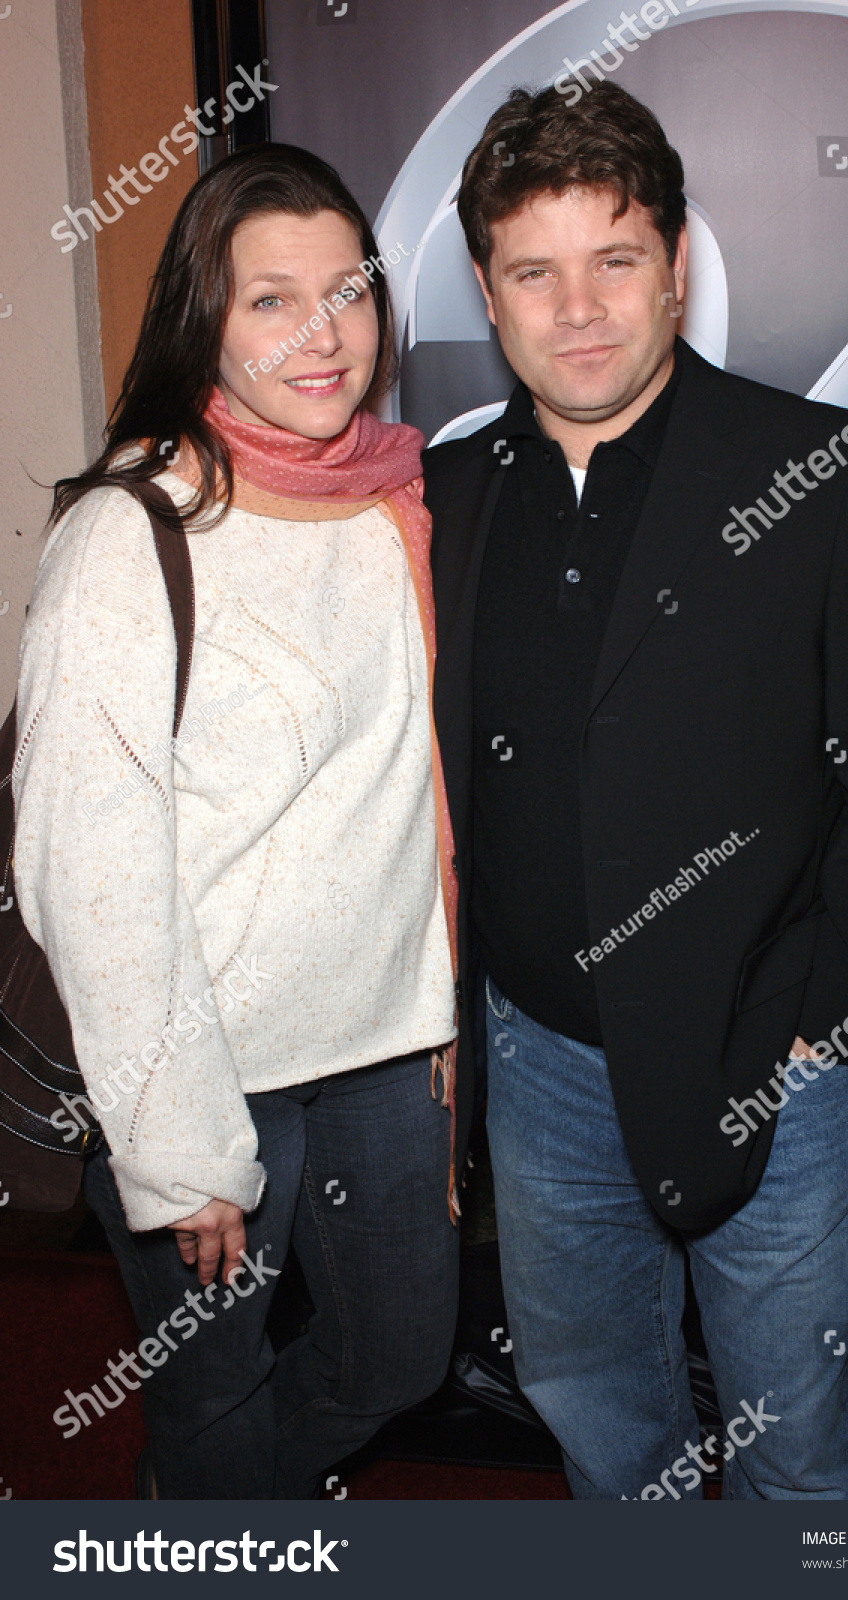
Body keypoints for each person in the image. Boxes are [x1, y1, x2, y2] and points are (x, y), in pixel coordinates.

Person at [423, 81, 848, 1500]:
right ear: (490, 294)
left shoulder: (824, 476)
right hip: (539, 1075)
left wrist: (825, 1037)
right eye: (535, 272)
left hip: (767, 1073)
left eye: (616, 259)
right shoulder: (449, 497)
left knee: (803, 1459)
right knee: (606, 1432)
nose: (580, 307)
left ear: (676, 263)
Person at [14, 144, 460, 1500]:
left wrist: (440, 1007)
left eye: (348, 292)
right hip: (214, 1072)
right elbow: (86, 867)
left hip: (387, 1049)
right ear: (202, 315)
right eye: (271, 300)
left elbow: (409, 782)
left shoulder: (390, 497)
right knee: (214, 1406)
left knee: (400, 1359)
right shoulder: (132, 531)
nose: (321, 337)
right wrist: (178, 1143)